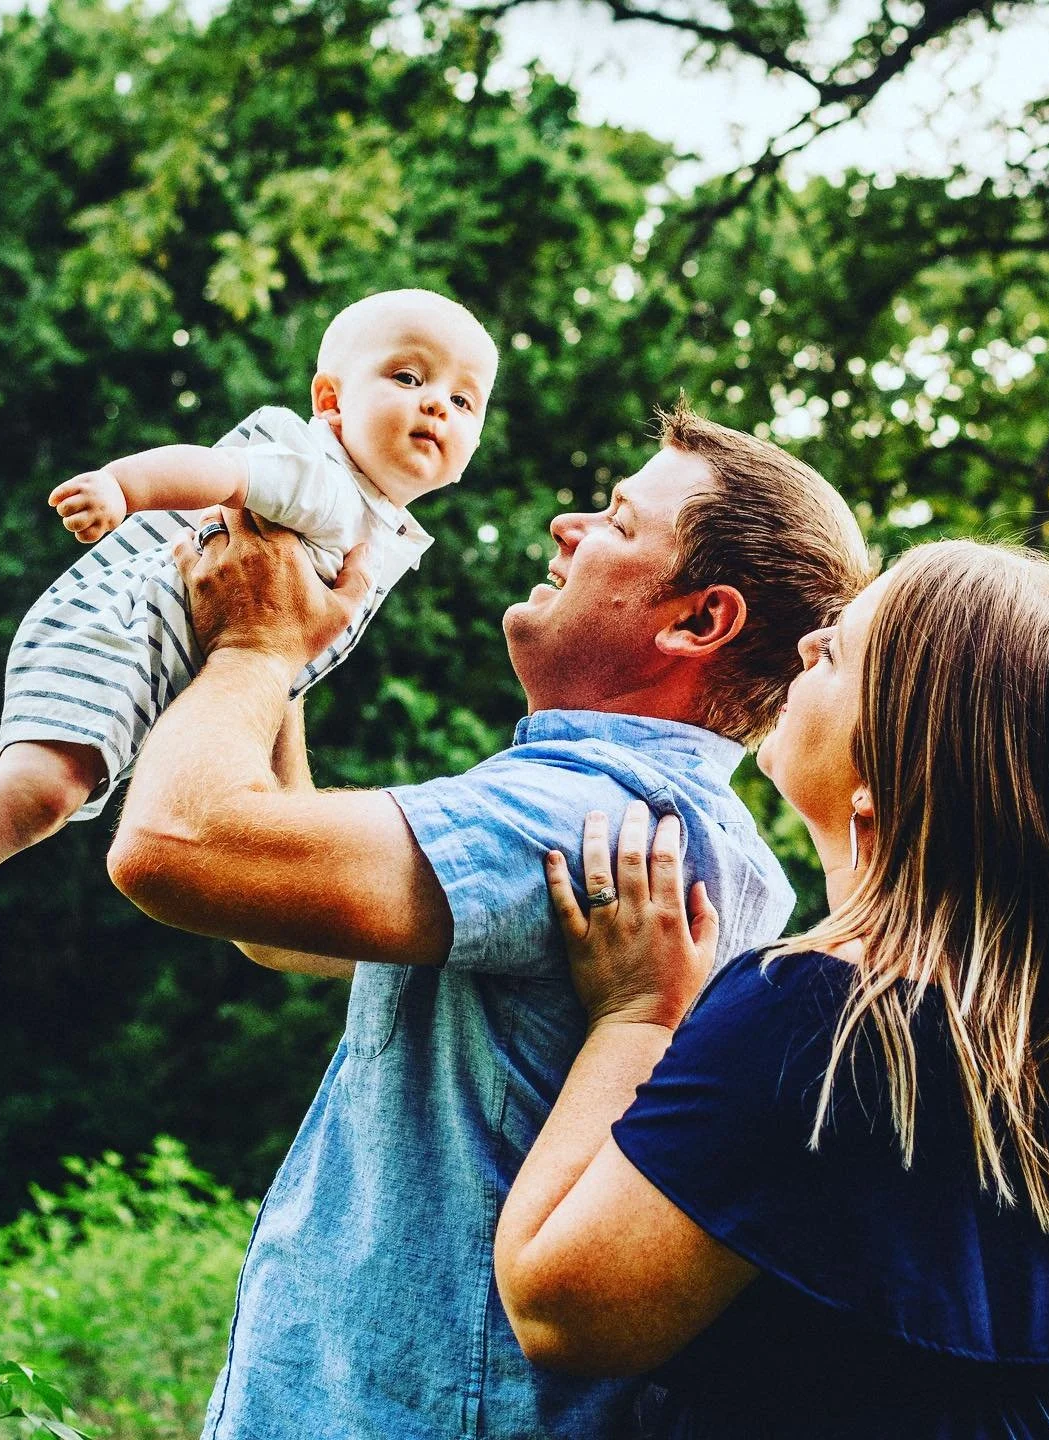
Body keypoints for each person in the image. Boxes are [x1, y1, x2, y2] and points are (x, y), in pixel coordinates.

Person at [104, 401, 874, 1439]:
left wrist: (251, 647)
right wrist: (284, 645)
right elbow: (276, 920)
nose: (568, 525)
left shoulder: (594, 817)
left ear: (699, 621)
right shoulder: (676, 826)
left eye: (616, 519)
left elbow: (177, 848)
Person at [496, 539, 1049, 1440]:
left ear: (890, 777)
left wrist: (638, 1013)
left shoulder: (815, 1016)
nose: (804, 646)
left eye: (837, 649)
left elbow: (561, 1310)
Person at [0, 288, 497, 1034]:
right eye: (409, 379)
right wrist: (124, 488)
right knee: (47, 790)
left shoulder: (376, 525)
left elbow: (283, 650)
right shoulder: (324, 484)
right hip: (118, 633)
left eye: (464, 399)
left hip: (142, 661)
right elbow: (219, 473)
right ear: (333, 400)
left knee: (28, 790)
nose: (437, 407)